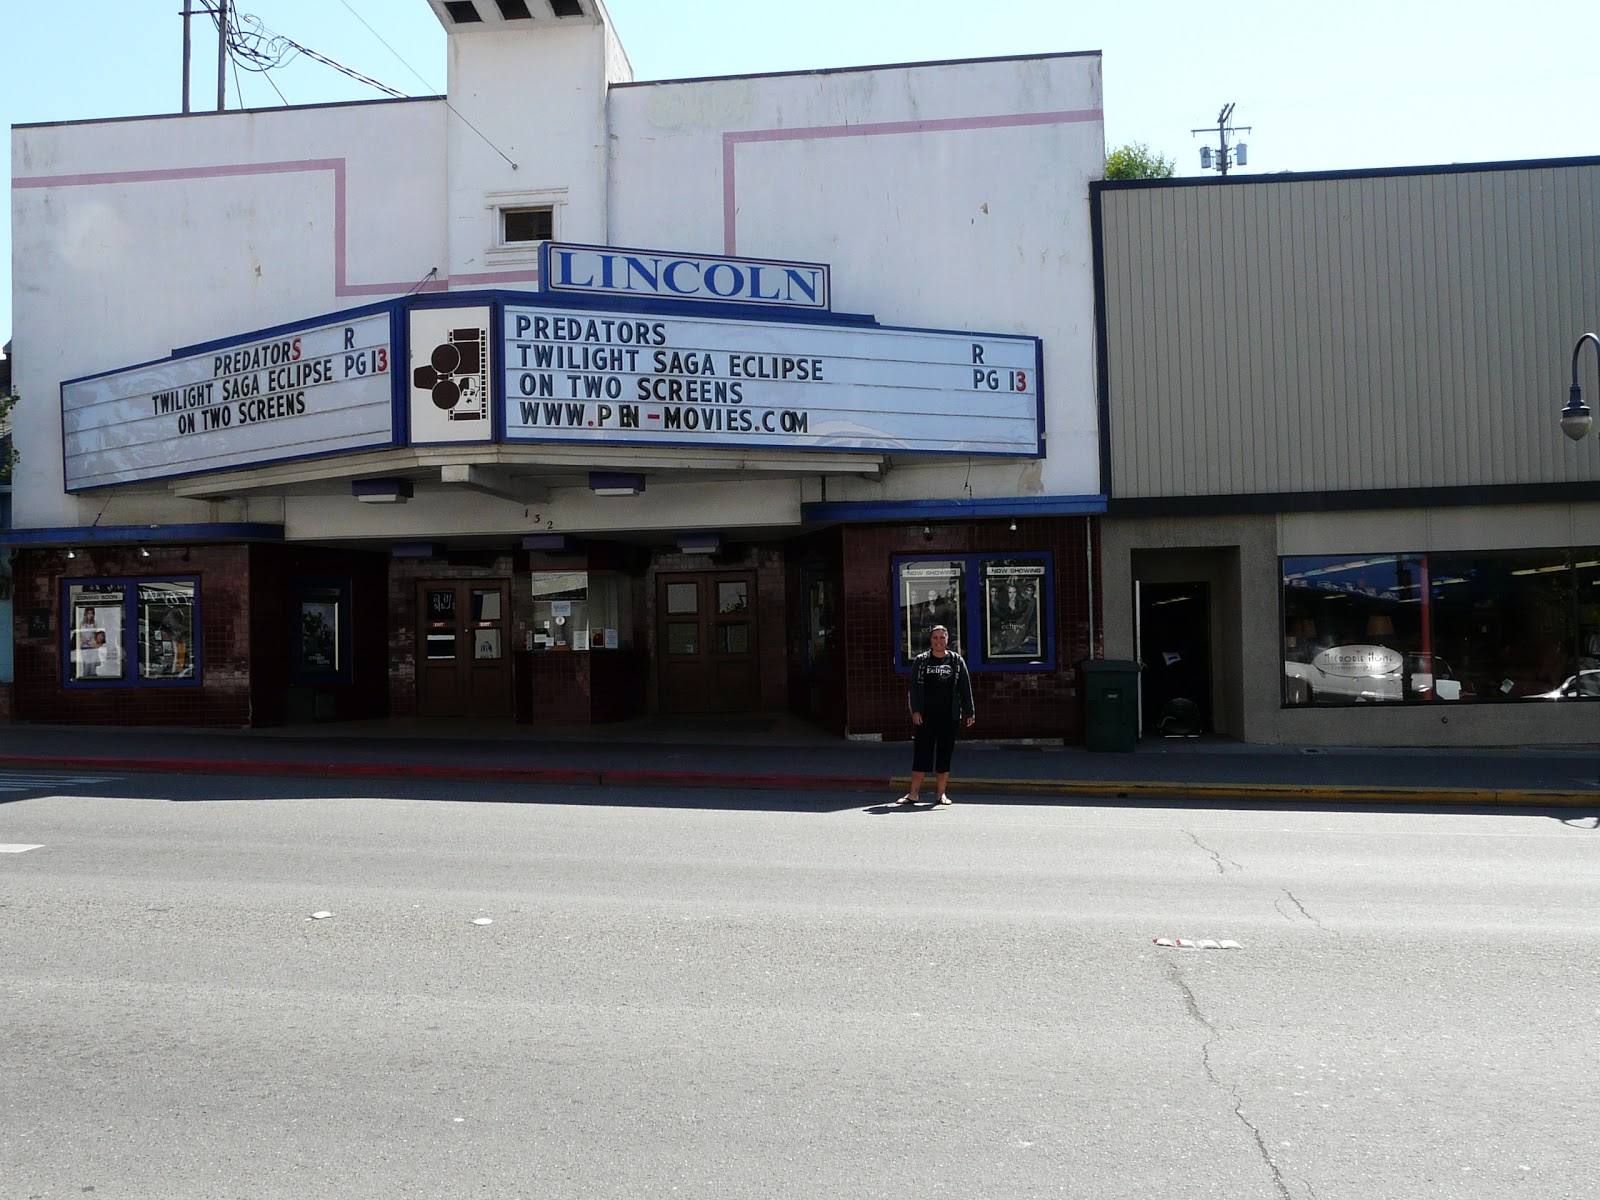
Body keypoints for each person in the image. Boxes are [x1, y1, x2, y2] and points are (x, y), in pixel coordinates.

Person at [895, 624, 976, 806]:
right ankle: (913, 793)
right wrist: (915, 711)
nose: (939, 641)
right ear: (930, 640)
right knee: (921, 754)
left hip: (949, 717)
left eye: (942, 637)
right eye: (935, 637)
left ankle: (941, 794)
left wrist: (969, 711)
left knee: (944, 755)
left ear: (947, 640)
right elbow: (913, 689)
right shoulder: (922, 661)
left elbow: (965, 687)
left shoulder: (956, 661)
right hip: (926, 717)